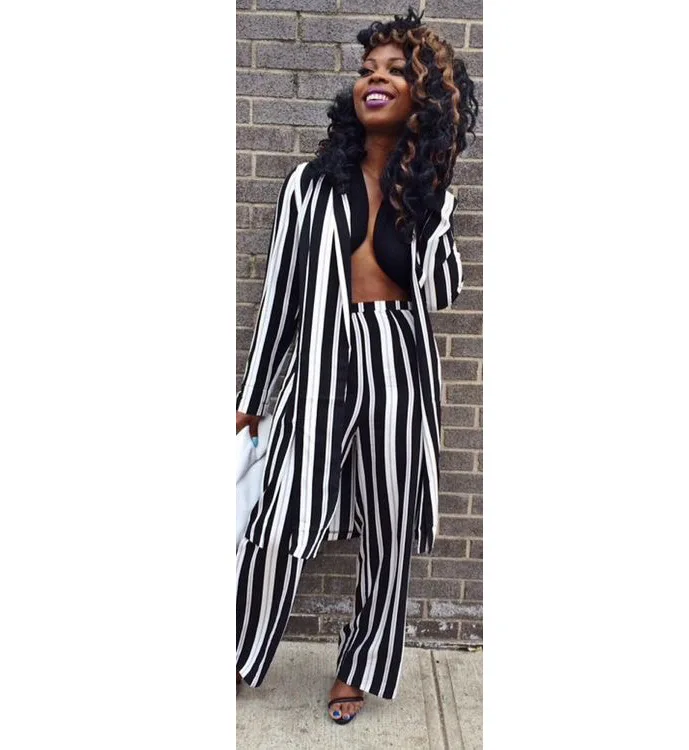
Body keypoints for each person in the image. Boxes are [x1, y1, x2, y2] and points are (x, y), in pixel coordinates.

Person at [235, 6, 479, 725]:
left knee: (389, 525)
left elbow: (440, 290)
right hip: (320, 358)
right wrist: (252, 398)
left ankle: (360, 666)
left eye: (397, 71)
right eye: (368, 69)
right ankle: (237, 649)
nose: (376, 78)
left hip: (399, 361)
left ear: (424, 97)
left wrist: (427, 201)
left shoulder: (430, 195)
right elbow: (280, 297)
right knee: (281, 515)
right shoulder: (308, 186)